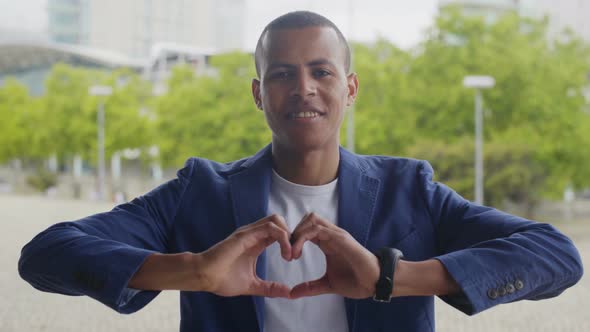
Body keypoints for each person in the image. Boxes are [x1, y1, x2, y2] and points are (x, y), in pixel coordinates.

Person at [19, 11, 583, 332]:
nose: (304, 88)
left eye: (322, 71)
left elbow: (557, 256)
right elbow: (45, 254)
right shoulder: (201, 192)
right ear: (258, 94)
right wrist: (193, 271)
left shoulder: (409, 189)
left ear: (351, 88)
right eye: (283, 74)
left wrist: (392, 278)